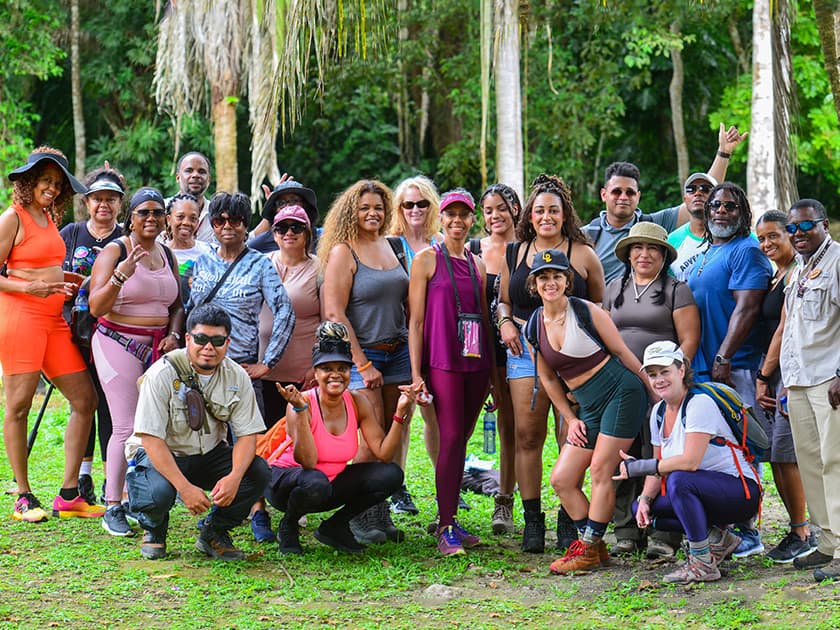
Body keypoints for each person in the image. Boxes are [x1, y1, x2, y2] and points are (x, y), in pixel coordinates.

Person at [520, 249, 650, 574]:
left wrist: (653, 387)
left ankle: (587, 549)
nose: (550, 282)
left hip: (621, 391)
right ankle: (596, 546)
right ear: (534, 284)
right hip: (586, 406)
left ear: (567, 281)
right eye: (543, 277)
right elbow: (548, 378)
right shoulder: (534, 325)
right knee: (562, 479)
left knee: (601, 471)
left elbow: (621, 350)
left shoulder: (587, 311)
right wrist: (569, 416)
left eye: (557, 276)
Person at [496, 174, 604, 553]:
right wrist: (506, 321)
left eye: (553, 210)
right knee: (527, 435)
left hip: (572, 358)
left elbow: (599, 308)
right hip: (524, 355)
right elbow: (504, 299)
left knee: (568, 435)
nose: (546, 216)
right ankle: (532, 521)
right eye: (539, 210)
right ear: (529, 214)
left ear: (565, 214)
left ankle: (566, 518)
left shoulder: (582, 253)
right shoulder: (516, 252)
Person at [0, 147, 103, 522]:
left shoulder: (47, 217)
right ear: (29, 182)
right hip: (20, 319)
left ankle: (70, 493)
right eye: (46, 181)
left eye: (58, 184)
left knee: (85, 399)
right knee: (19, 405)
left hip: (53, 320)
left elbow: (43, 267)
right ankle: (23, 496)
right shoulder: (12, 218)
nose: (53, 188)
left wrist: (65, 280)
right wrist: (30, 289)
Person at [124, 304, 271, 560]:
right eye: (201, 339)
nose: (209, 347)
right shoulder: (161, 374)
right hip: (162, 453)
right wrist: (184, 488)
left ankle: (214, 532)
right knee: (158, 494)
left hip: (208, 454)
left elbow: (248, 434)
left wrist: (234, 477)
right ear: (189, 339)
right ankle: (154, 528)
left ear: (228, 341)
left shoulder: (237, 376)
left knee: (257, 472)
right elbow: (150, 438)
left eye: (217, 340)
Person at [613, 341, 760, 584]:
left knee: (681, 480)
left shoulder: (699, 403)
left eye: (664, 372)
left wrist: (639, 466)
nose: (658, 379)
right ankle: (717, 539)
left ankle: (702, 563)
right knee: (641, 508)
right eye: (652, 374)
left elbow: (690, 462)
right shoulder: (658, 412)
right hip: (702, 491)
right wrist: (646, 500)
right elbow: (659, 462)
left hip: (741, 491)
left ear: (681, 371)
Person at [268, 321, 418, 554]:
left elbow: (384, 454)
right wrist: (299, 410)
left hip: (327, 484)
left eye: (342, 368)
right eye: (327, 368)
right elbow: (307, 462)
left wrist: (400, 413)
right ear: (315, 373)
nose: (335, 375)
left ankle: (335, 527)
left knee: (391, 475)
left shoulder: (358, 401)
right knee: (315, 481)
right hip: (286, 483)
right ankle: (288, 524)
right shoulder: (302, 402)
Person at [89, 186, 184, 536]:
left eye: (157, 212)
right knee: (126, 427)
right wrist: (120, 275)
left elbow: (176, 306)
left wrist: (174, 334)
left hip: (158, 348)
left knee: (155, 427)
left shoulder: (167, 254)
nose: (151, 218)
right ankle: (112, 504)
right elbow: (97, 306)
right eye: (143, 212)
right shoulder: (116, 251)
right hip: (117, 343)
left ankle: (136, 498)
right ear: (130, 217)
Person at [319, 179, 409, 544]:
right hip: (365, 355)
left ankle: (381, 514)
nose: (373, 214)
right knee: (370, 443)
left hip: (398, 352)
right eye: (364, 208)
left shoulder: (392, 247)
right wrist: (361, 363)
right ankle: (357, 517)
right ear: (351, 212)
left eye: (378, 207)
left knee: (393, 434)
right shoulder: (344, 251)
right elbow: (334, 313)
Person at [603, 221, 700, 558]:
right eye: (638, 248)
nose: (644, 255)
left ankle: (664, 532)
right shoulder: (613, 287)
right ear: (628, 253)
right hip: (622, 389)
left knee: (660, 456)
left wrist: (671, 382)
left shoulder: (676, 290)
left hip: (662, 388)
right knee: (621, 454)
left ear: (663, 255)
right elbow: (603, 335)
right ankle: (626, 530)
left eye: (652, 249)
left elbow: (688, 339)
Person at [686, 182, 772, 555]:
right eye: (716, 205)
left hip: (732, 368)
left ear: (743, 214)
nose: (721, 210)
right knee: (717, 450)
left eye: (731, 206)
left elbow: (748, 308)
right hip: (702, 368)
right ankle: (724, 530)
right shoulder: (706, 252)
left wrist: (724, 357)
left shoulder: (747, 251)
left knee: (745, 448)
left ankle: (749, 531)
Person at [757, 199, 840, 581]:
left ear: (824, 224)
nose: (798, 234)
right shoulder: (800, 269)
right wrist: (787, 381)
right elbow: (792, 332)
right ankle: (826, 544)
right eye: (792, 228)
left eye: (806, 226)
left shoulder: (837, 261)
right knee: (810, 464)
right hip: (800, 381)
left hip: (829, 381)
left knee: (834, 463)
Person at [408, 189, 493, 555]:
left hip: (476, 362)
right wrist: (415, 373)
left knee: (464, 438)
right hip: (442, 360)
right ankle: (445, 526)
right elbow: (416, 321)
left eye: (464, 215)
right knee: (451, 436)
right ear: (440, 218)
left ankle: (452, 519)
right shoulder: (426, 260)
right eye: (450, 215)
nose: (457, 221)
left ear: (473, 219)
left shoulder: (478, 264)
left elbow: (484, 320)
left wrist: (491, 378)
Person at [584, 124, 746, 283]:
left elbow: (702, 197)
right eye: (617, 191)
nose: (623, 197)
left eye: (630, 192)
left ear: (638, 196)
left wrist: (723, 153)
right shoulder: (587, 235)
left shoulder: (653, 224)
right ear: (604, 194)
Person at [187, 191, 295, 416]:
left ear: (246, 225)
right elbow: (191, 310)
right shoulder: (202, 262)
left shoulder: (259, 265)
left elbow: (285, 310)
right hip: (199, 367)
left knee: (247, 441)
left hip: (240, 368)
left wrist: (267, 362)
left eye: (235, 220)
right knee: (201, 442)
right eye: (219, 220)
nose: (227, 226)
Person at [249, 204, 320, 542]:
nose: (288, 233)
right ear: (273, 234)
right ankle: (257, 507)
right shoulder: (262, 265)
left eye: (296, 227)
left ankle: (294, 505)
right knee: (259, 439)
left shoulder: (319, 269)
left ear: (308, 233)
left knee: (297, 441)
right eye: (281, 228)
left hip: (301, 373)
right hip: (260, 370)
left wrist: (316, 366)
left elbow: (329, 318)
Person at [60, 163, 127, 504]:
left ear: (120, 203)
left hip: (113, 333)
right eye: (97, 198)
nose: (104, 205)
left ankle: (109, 478)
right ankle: (81, 476)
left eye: (110, 199)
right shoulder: (70, 234)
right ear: (87, 202)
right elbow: (54, 274)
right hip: (72, 331)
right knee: (81, 401)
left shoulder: (126, 239)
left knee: (108, 404)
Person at [753, 210, 815, 563]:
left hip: (786, 373)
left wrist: (764, 376)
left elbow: (783, 330)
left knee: (786, 454)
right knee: (776, 455)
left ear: (791, 234)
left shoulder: (796, 275)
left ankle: (802, 531)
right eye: (762, 238)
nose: (767, 243)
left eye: (774, 235)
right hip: (775, 371)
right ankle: (798, 526)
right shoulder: (777, 275)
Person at [386, 174, 441, 517]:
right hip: (398, 340)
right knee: (401, 416)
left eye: (422, 203)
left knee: (436, 416)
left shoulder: (440, 243)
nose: (415, 209)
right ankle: (398, 487)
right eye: (408, 204)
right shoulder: (390, 245)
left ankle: (444, 483)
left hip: (434, 340)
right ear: (399, 208)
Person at [473, 183, 522, 534]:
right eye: (488, 210)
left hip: (517, 347)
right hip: (480, 349)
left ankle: (504, 501)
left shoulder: (526, 249)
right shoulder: (474, 250)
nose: (495, 216)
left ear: (516, 209)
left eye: (502, 208)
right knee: (463, 426)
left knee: (512, 428)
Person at [162, 193, 214, 306]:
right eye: (180, 217)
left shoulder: (210, 253)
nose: (186, 223)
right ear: (168, 219)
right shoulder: (159, 253)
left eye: (193, 218)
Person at [667, 172, 719, 280]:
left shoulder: (734, 236)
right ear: (685, 199)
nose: (698, 193)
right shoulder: (671, 242)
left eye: (705, 189)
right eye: (691, 189)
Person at [248, 179, 319, 253]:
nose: (288, 206)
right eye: (281, 203)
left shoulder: (321, 237)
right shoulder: (263, 243)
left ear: (305, 205)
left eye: (294, 201)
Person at [172, 152, 214, 244]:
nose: (195, 175)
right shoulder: (160, 210)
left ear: (209, 179)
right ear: (178, 177)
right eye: (189, 170)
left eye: (202, 172)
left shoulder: (217, 214)